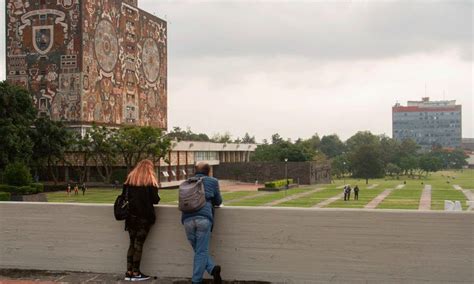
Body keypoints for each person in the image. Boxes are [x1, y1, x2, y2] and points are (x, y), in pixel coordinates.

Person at [182, 162, 223, 284]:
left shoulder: (187, 182)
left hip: (187, 219)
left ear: (195, 171)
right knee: (201, 251)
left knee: (198, 249)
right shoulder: (212, 181)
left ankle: (212, 269)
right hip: (204, 218)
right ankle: (197, 280)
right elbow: (218, 201)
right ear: (208, 171)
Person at [122, 159, 160, 281]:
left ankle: (129, 272)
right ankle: (136, 272)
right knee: (139, 244)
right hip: (144, 218)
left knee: (132, 244)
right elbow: (155, 200)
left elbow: (123, 197)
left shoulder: (129, 181)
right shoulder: (150, 182)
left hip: (130, 217)